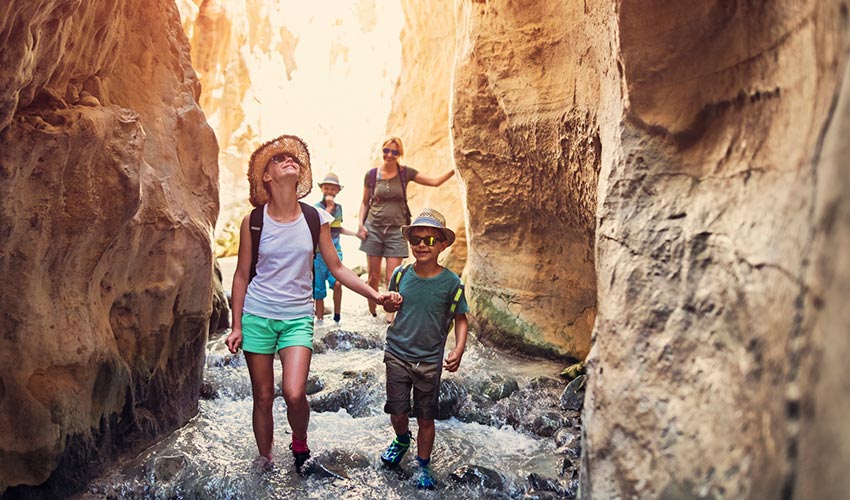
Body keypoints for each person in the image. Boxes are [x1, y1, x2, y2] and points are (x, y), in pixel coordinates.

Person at [224, 134, 400, 472]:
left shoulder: (315, 217)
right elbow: (242, 275)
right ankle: (265, 461)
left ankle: (299, 442)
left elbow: (336, 267)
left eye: (293, 158)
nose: (289, 160)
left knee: (293, 392)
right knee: (262, 396)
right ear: (267, 176)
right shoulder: (254, 220)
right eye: (279, 160)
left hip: (296, 318)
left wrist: (374, 294)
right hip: (257, 315)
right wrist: (235, 325)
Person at [378, 208, 469, 490]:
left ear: (442, 245)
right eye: (416, 239)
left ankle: (423, 465)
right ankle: (402, 438)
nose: (421, 245)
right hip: (396, 353)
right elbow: (389, 309)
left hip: (429, 361)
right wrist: (388, 305)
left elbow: (461, 318)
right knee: (397, 411)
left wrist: (459, 348)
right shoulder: (401, 273)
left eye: (429, 240)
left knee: (426, 416)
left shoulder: (452, 283)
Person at [357, 136, 456, 323]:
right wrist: (361, 225)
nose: (389, 155)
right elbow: (364, 203)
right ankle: (372, 314)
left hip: (396, 230)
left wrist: (456, 166)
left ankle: (389, 319)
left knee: (392, 277)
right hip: (374, 229)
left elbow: (435, 182)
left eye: (394, 152)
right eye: (386, 150)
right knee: (372, 277)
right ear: (382, 150)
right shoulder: (371, 175)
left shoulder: (405, 173)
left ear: (399, 154)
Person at [312, 171, 359, 325]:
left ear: (338, 191)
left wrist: (356, 234)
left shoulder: (339, 208)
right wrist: (329, 207)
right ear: (322, 189)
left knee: (338, 283)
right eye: (327, 188)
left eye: (333, 189)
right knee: (318, 290)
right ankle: (319, 320)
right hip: (319, 255)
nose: (330, 191)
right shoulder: (317, 208)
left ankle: (337, 317)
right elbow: (318, 224)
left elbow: (338, 229)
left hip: (335, 252)